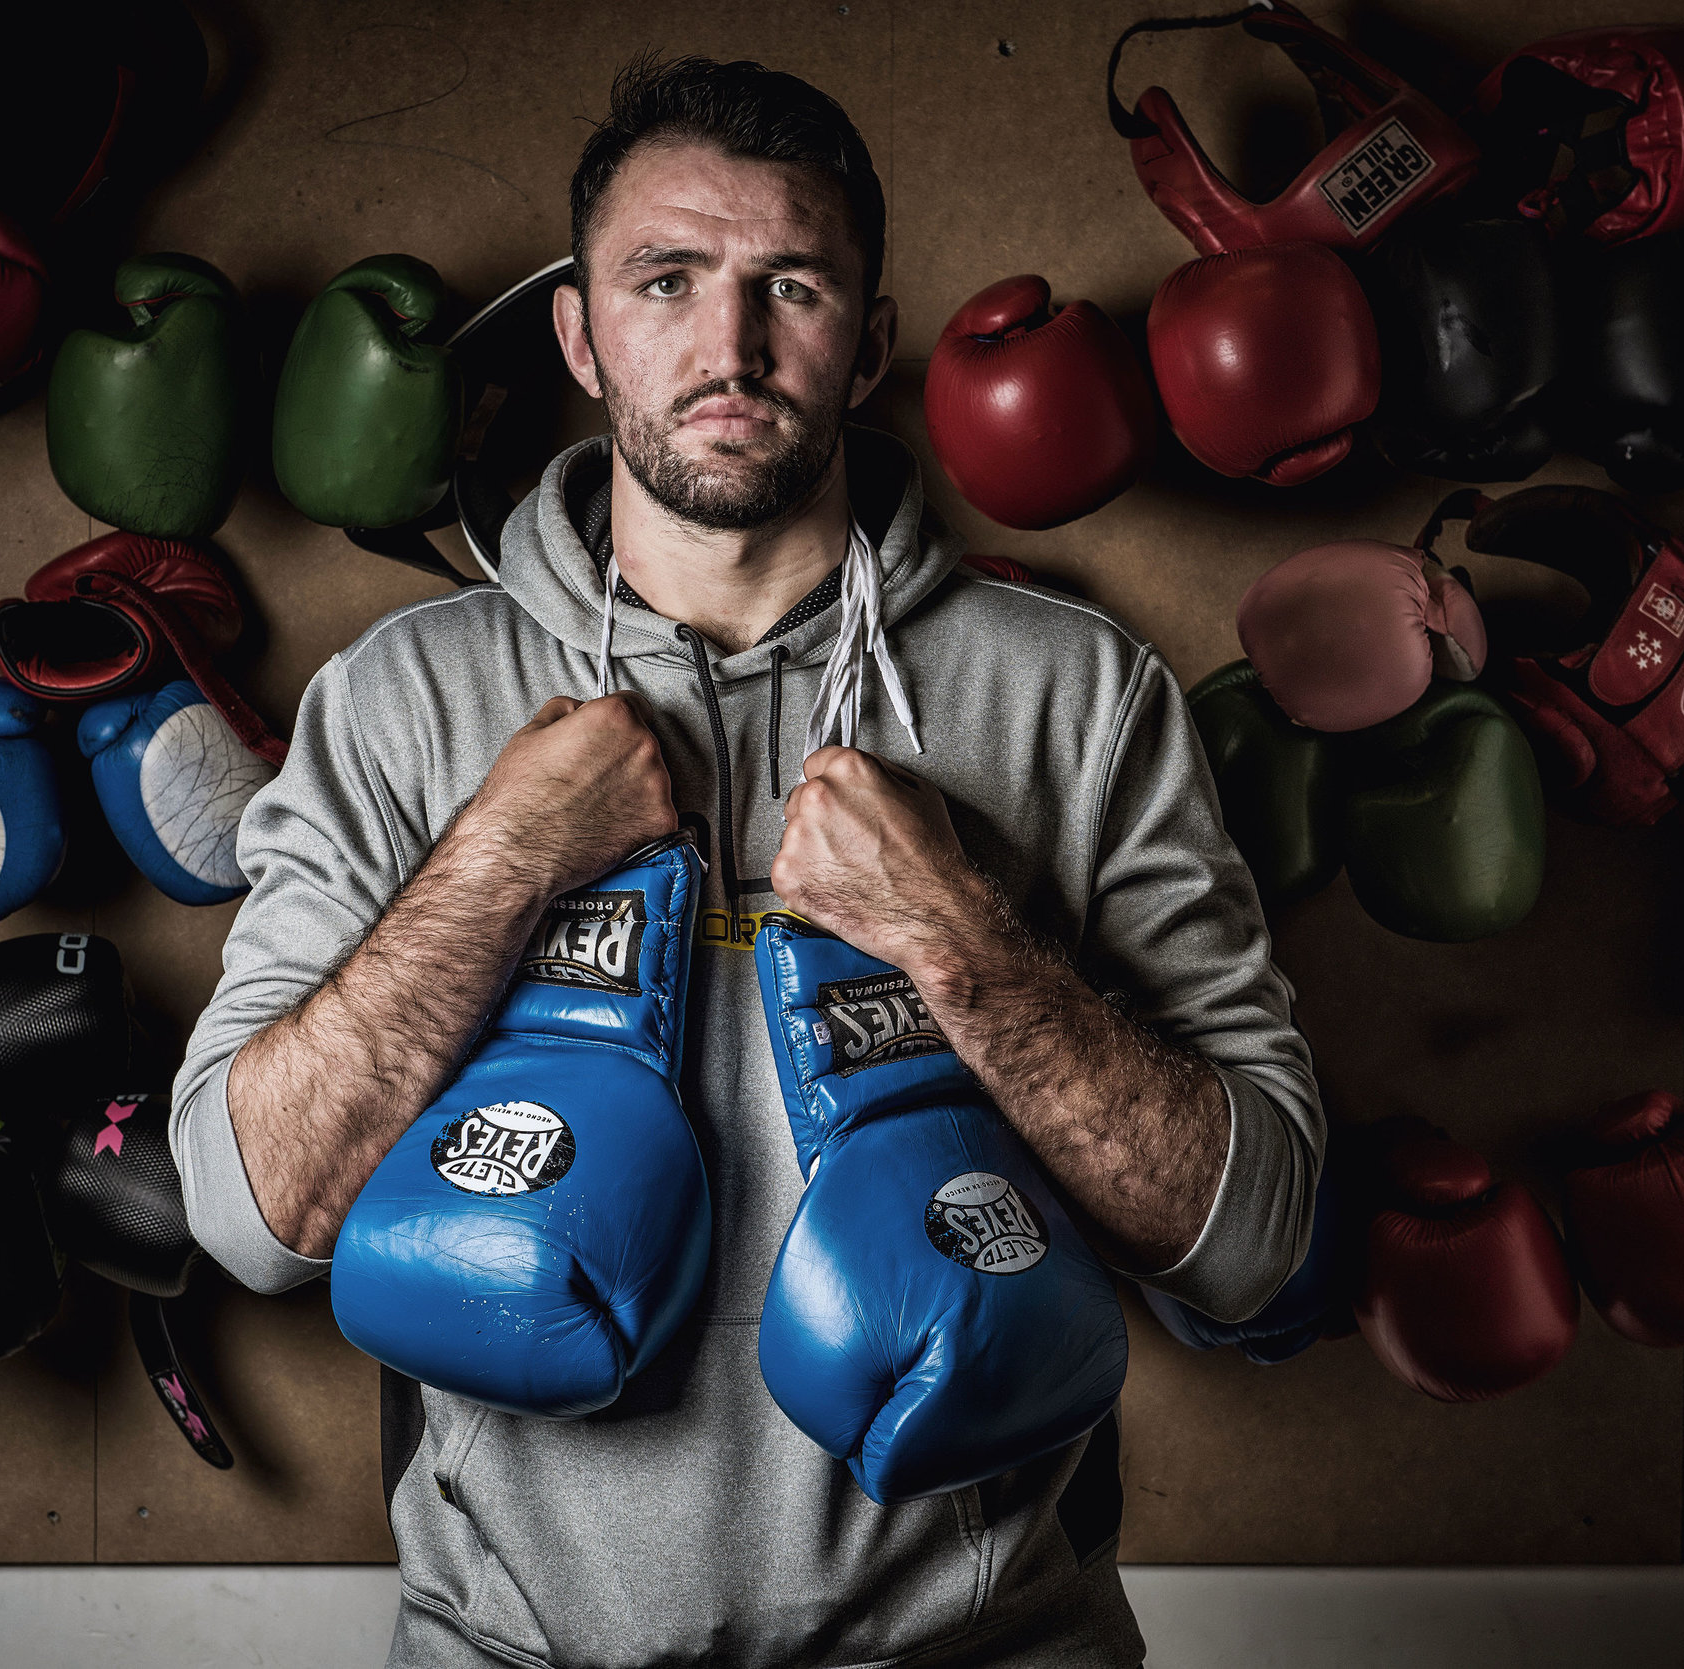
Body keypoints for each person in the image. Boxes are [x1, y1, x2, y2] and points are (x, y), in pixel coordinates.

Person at [174, 54, 1322, 1669]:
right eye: (666, 281)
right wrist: (502, 854)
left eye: (792, 284)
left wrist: (963, 936)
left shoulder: (1070, 693)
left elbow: (1252, 1227)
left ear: (870, 341)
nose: (731, 347)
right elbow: (246, 1212)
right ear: (581, 333)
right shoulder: (401, 701)